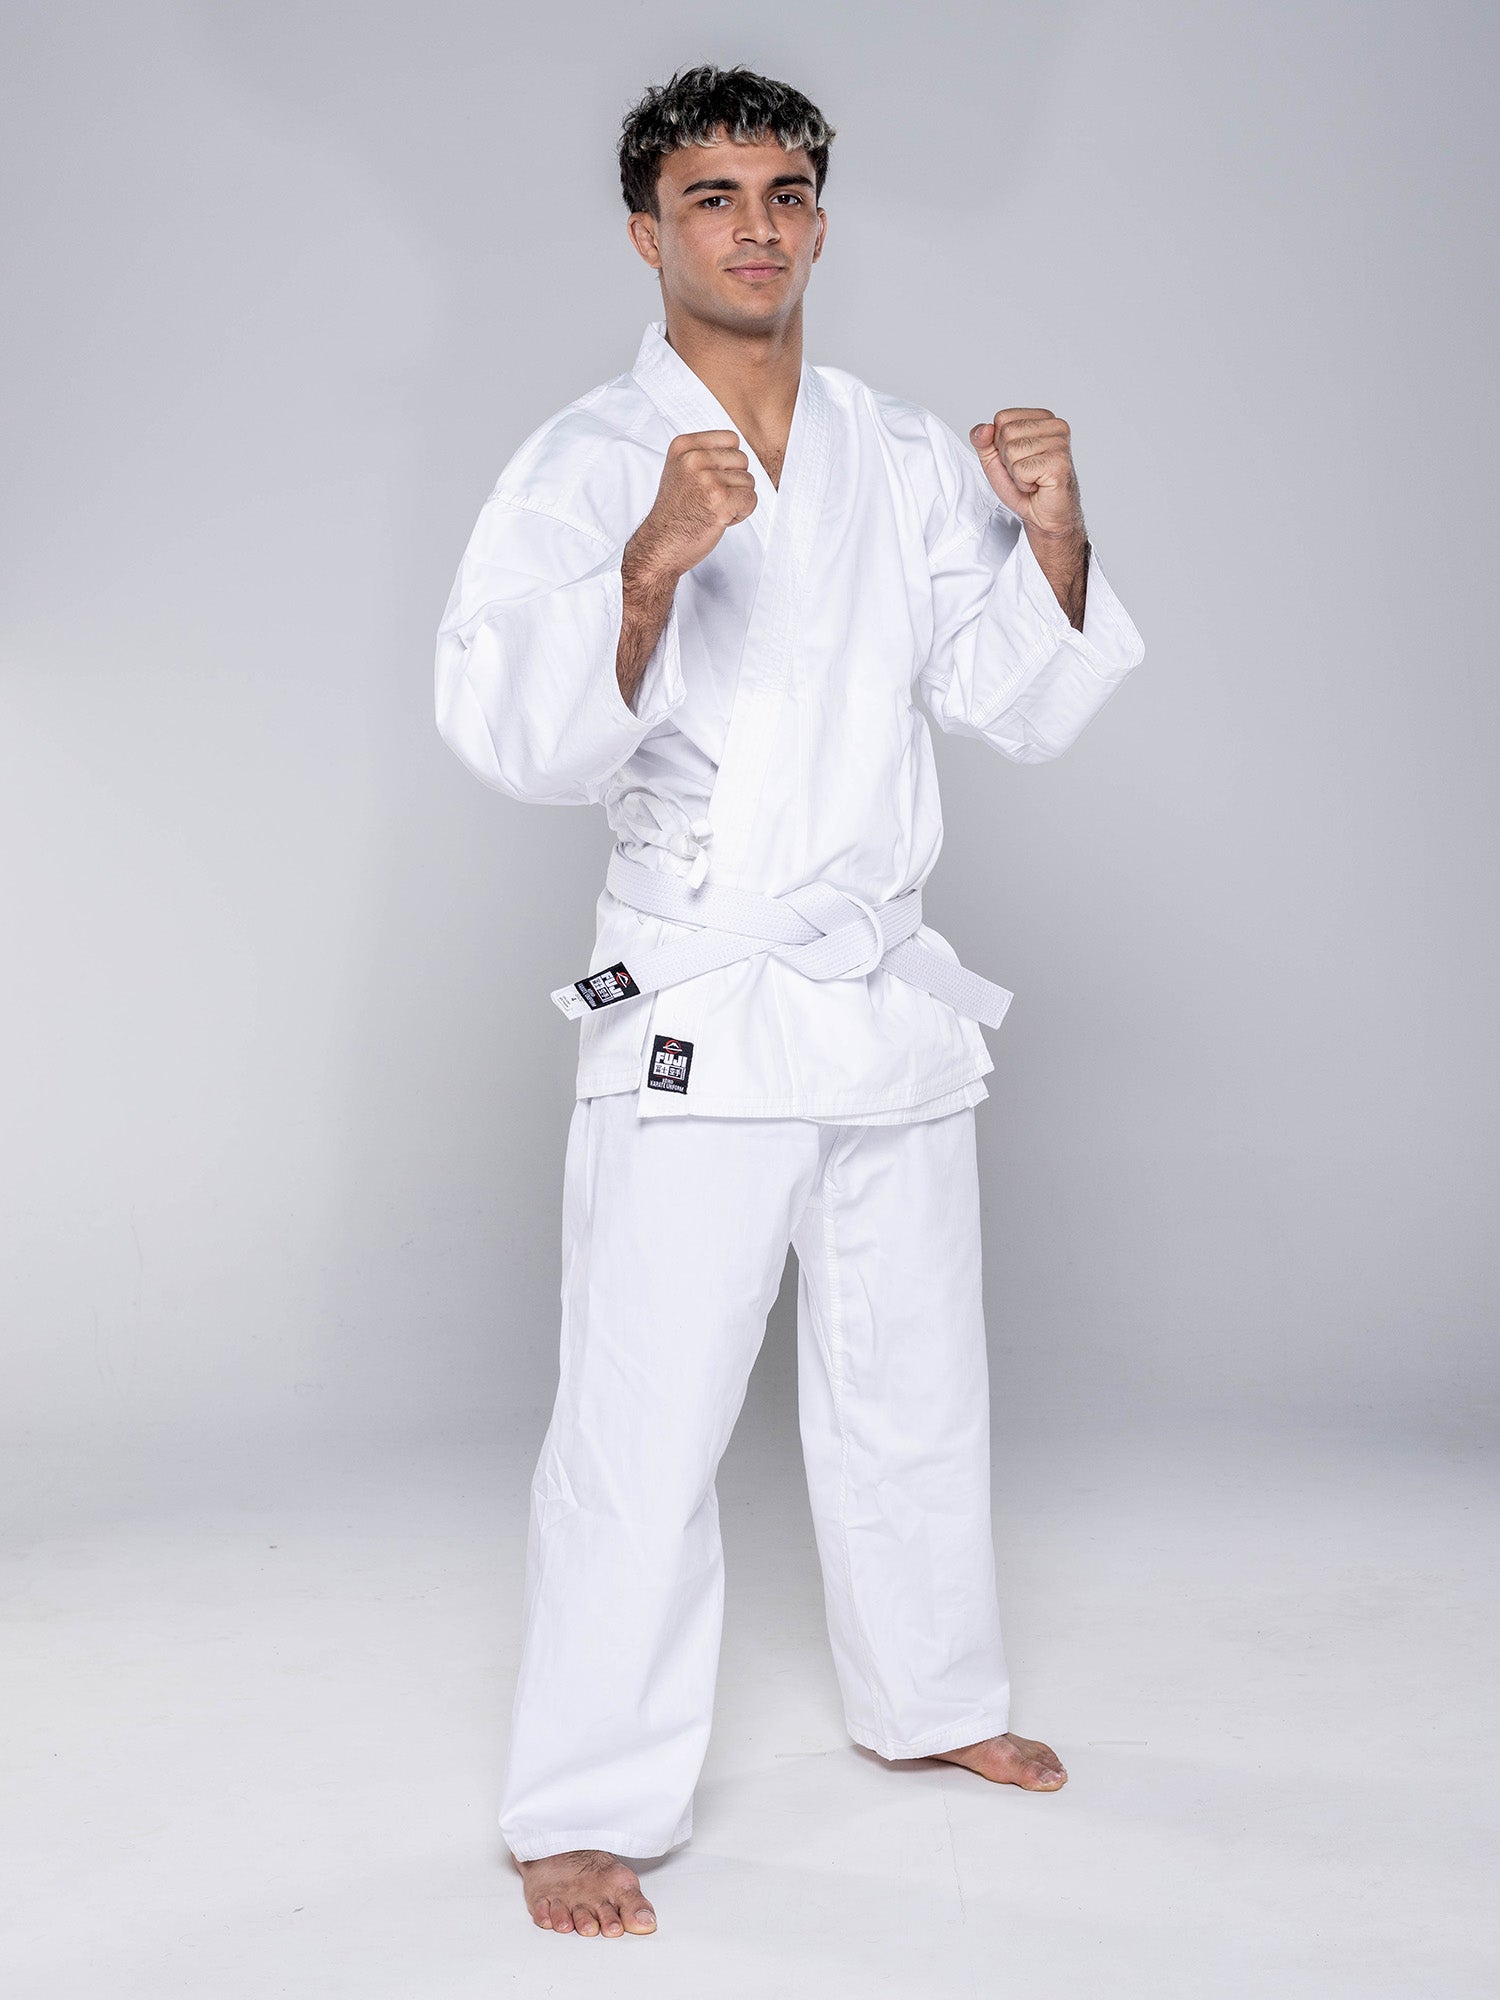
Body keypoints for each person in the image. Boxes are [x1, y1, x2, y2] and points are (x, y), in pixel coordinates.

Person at [434, 63, 1144, 1940]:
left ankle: (932, 1697)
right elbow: (506, 729)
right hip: (701, 984)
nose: (754, 226)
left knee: (914, 1378)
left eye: (784, 193)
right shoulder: (587, 460)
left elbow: (1009, 696)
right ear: (645, 232)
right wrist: (649, 569)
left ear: (820, 219)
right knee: (644, 1418)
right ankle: (584, 1804)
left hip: (879, 986)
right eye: (712, 195)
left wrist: (1058, 535)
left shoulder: (901, 452)